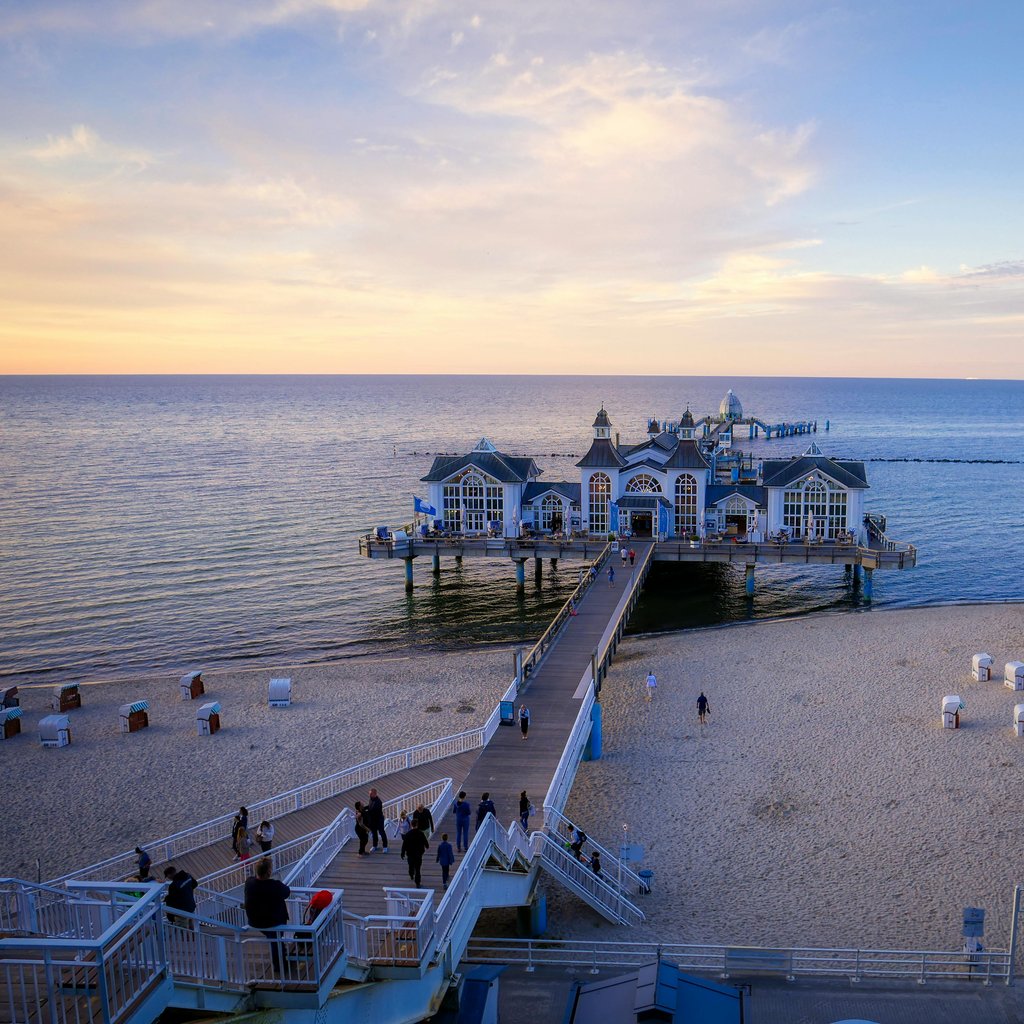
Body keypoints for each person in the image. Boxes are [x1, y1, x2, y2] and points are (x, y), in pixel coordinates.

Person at [243, 858, 290, 974]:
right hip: (273, 922)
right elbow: (287, 892)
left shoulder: (249, 883)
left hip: (255, 921)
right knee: (275, 940)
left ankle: (281, 955)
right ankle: (280, 967)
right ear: (269, 872)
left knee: (274, 938)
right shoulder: (275, 886)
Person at [401, 820, 429, 888]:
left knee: (411, 865)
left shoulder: (408, 834)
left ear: (411, 825)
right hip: (418, 854)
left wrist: (402, 853)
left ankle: (411, 874)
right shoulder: (420, 833)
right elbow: (425, 842)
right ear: (417, 825)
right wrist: (426, 846)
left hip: (410, 854)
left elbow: (404, 845)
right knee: (418, 869)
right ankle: (417, 883)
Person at [365, 788, 388, 853]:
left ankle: (385, 846)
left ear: (375, 794)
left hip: (379, 820)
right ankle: (375, 845)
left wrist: (364, 813)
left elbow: (373, 811)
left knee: (382, 832)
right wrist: (363, 808)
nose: (369, 795)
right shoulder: (371, 799)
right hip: (373, 820)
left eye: (371, 794)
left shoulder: (378, 802)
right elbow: (369, 807)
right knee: (374, 833)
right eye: (369, 794)